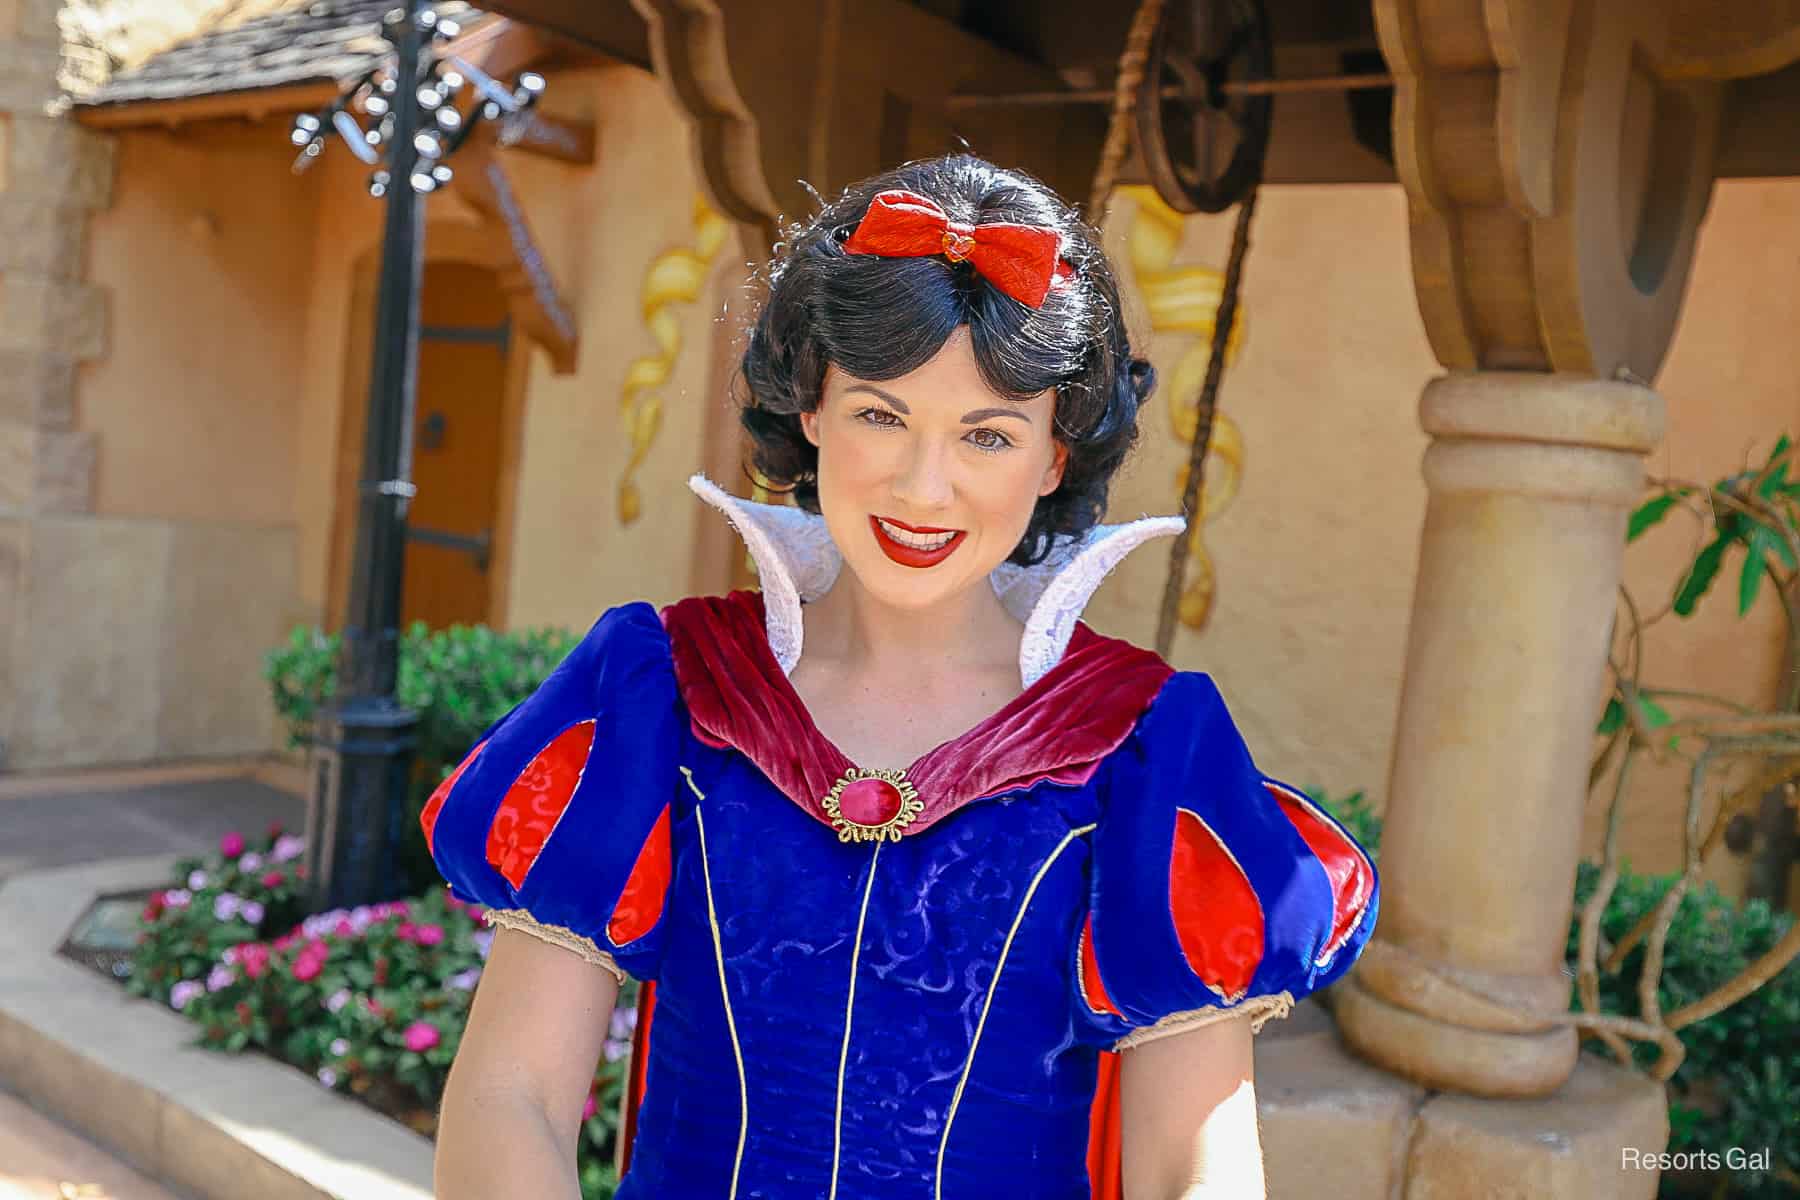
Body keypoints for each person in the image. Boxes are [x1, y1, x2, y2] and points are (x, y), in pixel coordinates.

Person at [427, 154, 1378, 1200]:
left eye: (988, 434)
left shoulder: (1141, 747)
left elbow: (1191, 1172)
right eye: (882, 415)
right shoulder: (666, 691)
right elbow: (509, 1097)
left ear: (1053, 457)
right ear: (812, 413)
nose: (926, 489)